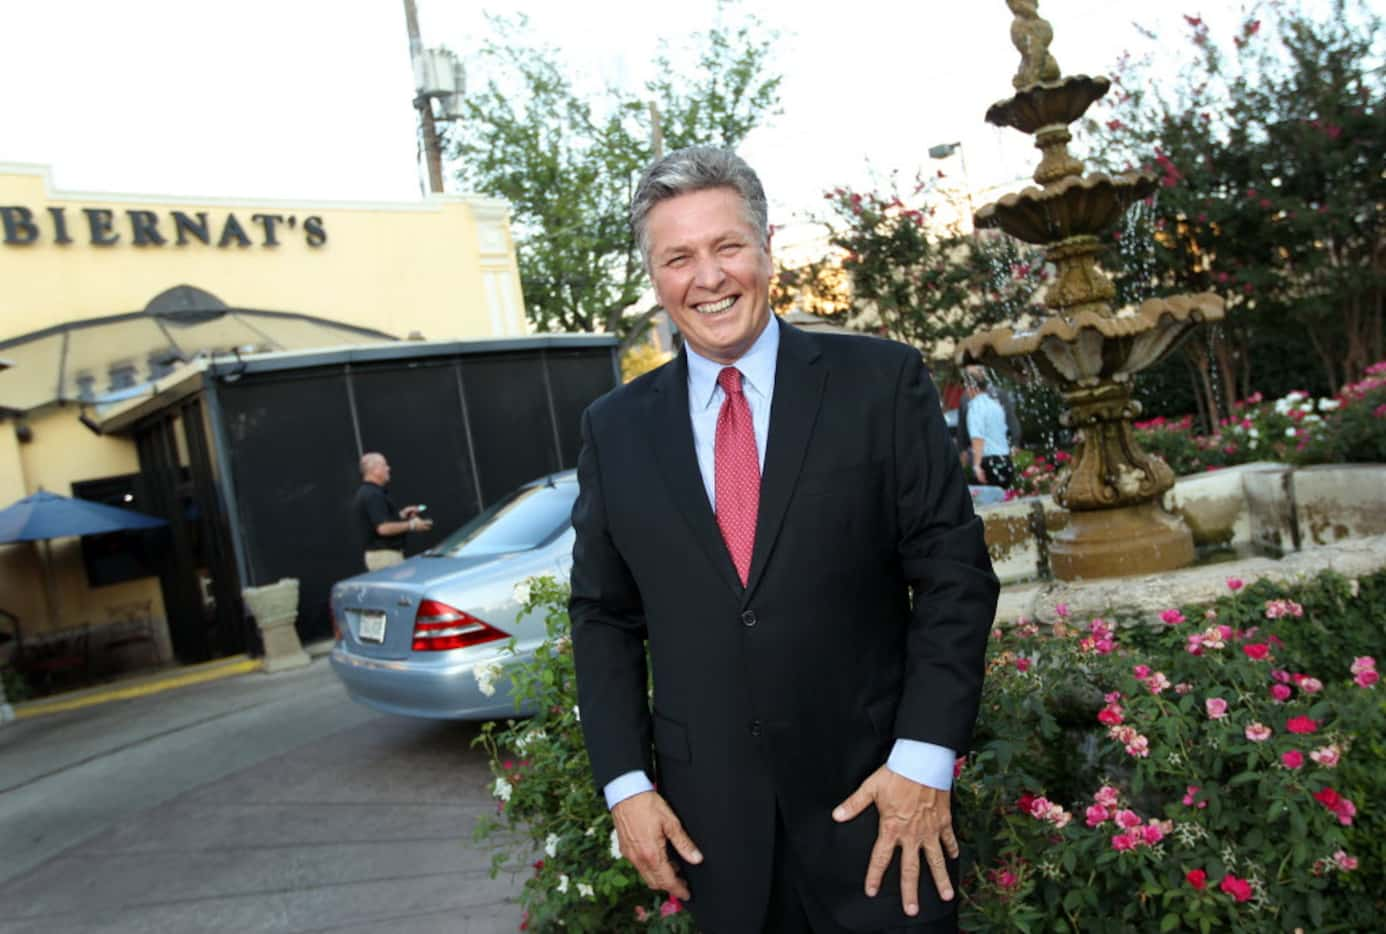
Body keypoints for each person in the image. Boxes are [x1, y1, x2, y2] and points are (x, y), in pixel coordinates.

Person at [569, 147, 999, 934]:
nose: (709, 277)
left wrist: (924, 759)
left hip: (881, 811)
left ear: (767, 249)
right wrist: (626, 786)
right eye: (679, 257)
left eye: (727, 246)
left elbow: (954, 578)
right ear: (656, 277)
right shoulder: (614, 430)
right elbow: (602, 615)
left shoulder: (881, 382)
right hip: (711, 840)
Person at [353, 452, 431, 571]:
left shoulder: (370, 492)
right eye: (385, 465)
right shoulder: (372, 494)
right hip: (385, 557)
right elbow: (383, 528)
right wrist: (413, 525)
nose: (388, 468)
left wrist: (402, 514)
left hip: (384, 556)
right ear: (375, 470)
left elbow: (379, 520)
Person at [954, 366, 1022, 472]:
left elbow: (1011, 419)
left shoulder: (997, 396)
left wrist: (1015, 443)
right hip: (993, 453)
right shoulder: (966, 399)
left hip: (989, 453)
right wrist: (962, 450)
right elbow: (962, 427)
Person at [965, 378, 1015, 490]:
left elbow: (977, 438)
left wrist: (977, 466)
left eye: (967, 388)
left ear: (973, 388)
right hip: (1005, 459)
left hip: (989, 462)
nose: (966, 392)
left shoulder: (975, 407)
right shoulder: (995, 405)